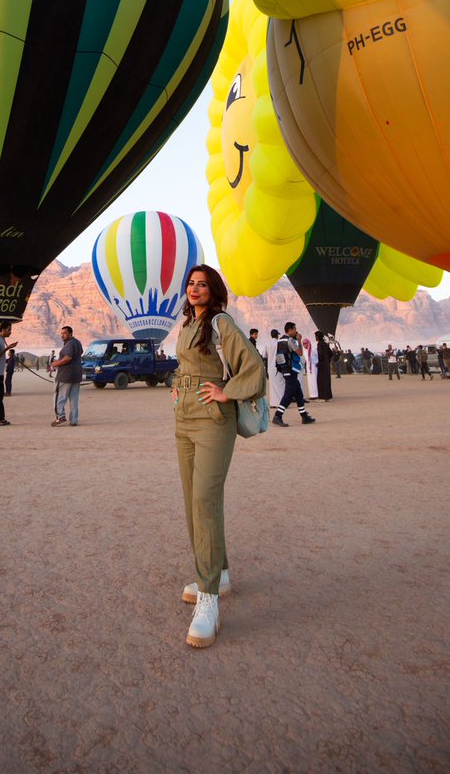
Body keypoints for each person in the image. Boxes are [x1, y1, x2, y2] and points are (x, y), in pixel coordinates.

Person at [174, 264, 266, 649]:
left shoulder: (221, 322)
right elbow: (188, 367)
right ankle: (219, 573)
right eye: (191, 284)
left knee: (205, 501)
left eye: (202, 284)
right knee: (193, 500)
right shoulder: (186, 325)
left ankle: (209, 600)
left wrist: (226, 392)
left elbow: (253, 367)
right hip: (184, 417)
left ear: (214, 290)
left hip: (213, 419)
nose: (195, 289)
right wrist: (178, 387)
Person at [272, 324, 315, 426]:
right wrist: (299, 340)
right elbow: (299, 352)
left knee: (299, 394)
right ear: (290, 330)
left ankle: (304, 416)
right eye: (295, 329)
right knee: (288, 395)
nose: (296, 331)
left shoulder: (280, 340)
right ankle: (278, 416)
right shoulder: (290, 340)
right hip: (291, 370)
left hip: (285, 369)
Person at [51, 326, 84, 426]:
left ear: (70, 334)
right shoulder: (77, 342)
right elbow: (80, 352)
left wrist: (57, 363)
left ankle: (60, 416)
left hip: (65, 376)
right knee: (74, 399)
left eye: (64, 333)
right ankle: (74, 420)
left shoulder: (69, 344)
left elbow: (68, 357)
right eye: (61, 333)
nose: (62, 335)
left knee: (59, 397)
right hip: (76, 375)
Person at [315, 331, 333, 400]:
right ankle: (328, 396)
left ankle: (322, 397)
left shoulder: (319, 344)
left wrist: (319, 363)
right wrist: (327, 360)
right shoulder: (325, 344)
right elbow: (331, 354)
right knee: (327, 380)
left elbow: (320, 355)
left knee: (321, 381)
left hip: (322, 366)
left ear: (317, 337)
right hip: (327, 365)